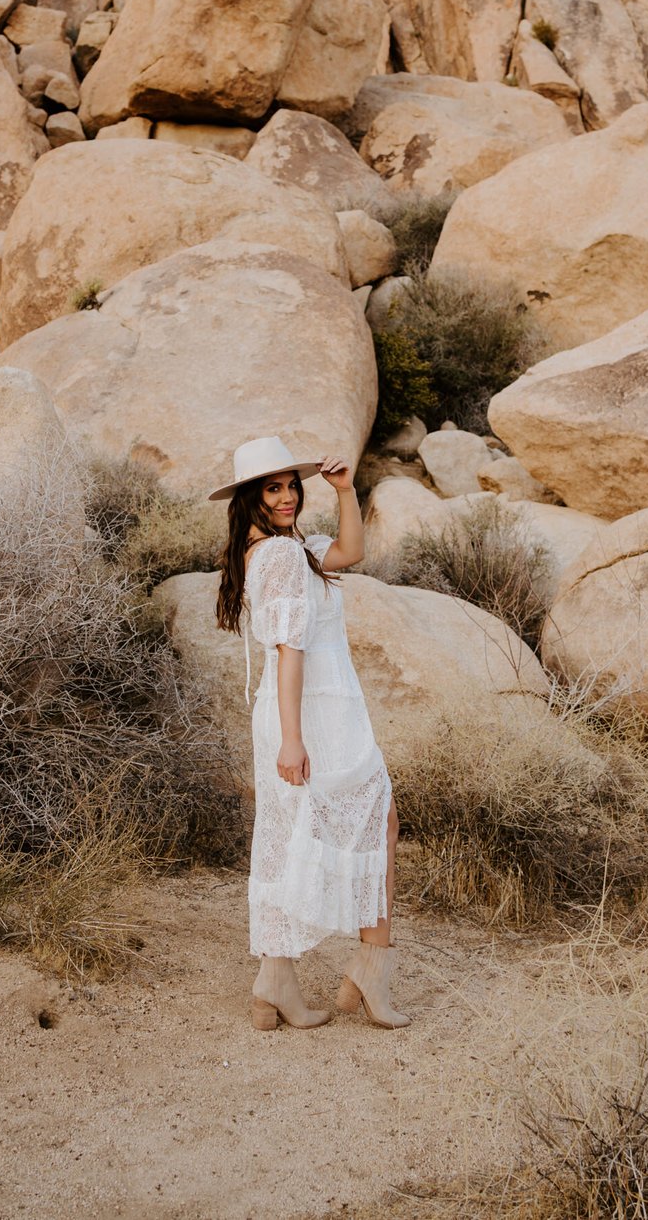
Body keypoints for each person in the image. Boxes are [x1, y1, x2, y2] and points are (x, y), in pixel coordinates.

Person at [211, 435, 408, 1032]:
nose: (288, 495)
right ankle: (368, 968)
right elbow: (289, 647)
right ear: (250, 498)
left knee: (291, 836)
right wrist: (292, 739)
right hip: (312, 713)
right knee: (375, 821)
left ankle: (278, 979)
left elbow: (351, 548)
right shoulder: (276, 556)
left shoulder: (283, 550)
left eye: (291, 485)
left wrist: (345, 490)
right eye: (273, 488)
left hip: (307, 707)